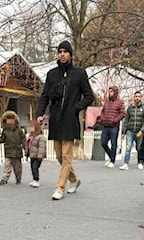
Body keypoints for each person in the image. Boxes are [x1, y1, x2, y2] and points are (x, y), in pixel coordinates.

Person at [35, 40, 94, 200]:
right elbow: (45, 96)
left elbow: (89, 96)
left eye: (65, 51)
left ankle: (60, 187)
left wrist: (76, 107)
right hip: (55, 120)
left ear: (70, 55)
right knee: (60, 156)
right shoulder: (52, 74)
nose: (62, 54)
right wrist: (40, 113)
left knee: (67, 156)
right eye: (60, 51)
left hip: (70, 120)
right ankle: (74, 179)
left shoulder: (79, 74)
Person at [0, 110, 27, 185]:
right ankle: (4, 179)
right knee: (7, 166)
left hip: (17, 152)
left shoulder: (19, 130)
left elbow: (23, 139)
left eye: (11, 119)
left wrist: (25, 147)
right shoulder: (5, 131)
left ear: (15, 120)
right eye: (8, 119)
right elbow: (2, 139)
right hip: (8, 152)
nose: (10, 121)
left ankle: (18, 178)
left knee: (18, 168)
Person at [119, 91, 144, 170]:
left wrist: (142, 130)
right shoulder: (130, 108)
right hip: (130, 130)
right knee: (128, 147)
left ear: (141, 97)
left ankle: (139, 162)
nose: (137, 98)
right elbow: (126, 120)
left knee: (139, 148)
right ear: (134, 97)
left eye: (139, 96)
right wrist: (123, 132)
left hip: (139, 130)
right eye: (136, 96)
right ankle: (125, 163)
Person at [100, 86, 125, 168]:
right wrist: (102, 119)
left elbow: (122, 113)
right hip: (105, 125)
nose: (110, 93)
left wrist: (115, 120)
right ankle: (111, 156)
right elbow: (103, 111)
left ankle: (112, 161)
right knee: (103, 143)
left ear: (115, 92)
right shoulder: (107, 102)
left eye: (111, 91)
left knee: (113, 144)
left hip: (114, 126)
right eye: (109, 91)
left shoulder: (120, 102)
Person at [25, 120, 47, 188]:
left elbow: (42, 147)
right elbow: (28, 145)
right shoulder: (30, 136)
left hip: (38, 156)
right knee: (32, 167)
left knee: (35, 167)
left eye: (32, 127)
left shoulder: (40, 137)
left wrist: (40, 156)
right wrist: (27, 153)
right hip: (32, 155)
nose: (30, 129)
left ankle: (36, 180)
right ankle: (34, 179)